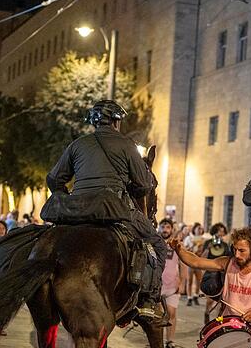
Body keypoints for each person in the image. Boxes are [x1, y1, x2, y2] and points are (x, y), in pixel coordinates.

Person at [40, 99, 165, 320]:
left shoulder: (77, 144)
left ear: (93, 123)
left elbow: (54, 179)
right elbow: (145, 185)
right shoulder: (126, 144)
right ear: (116, 121)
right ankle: (149, 299)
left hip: (76, 209)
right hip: (113, 207)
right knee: (156, 244)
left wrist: (66, 196)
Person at [201, 223, 231, 322]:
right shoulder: (208, 242)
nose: (220, 233)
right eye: (218, 231)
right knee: (210, 299)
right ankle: (207, 312)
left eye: (222, 231)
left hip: (221, 274)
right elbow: (203, 257)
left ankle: (217, 320)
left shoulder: (225, 245)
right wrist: (208, 248)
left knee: (221, 299)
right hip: (210, 273)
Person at [158, 219, 181, 348]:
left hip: (172, 286)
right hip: (157, 285)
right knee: (159, 314)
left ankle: (170, 340)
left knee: (171, 313)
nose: (165, 229)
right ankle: (156, 341)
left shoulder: (176, 245)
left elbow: (183, 264)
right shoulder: (155, 243)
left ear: (171, 229)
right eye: (163, 227)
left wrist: (182, 282)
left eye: (168, 227)